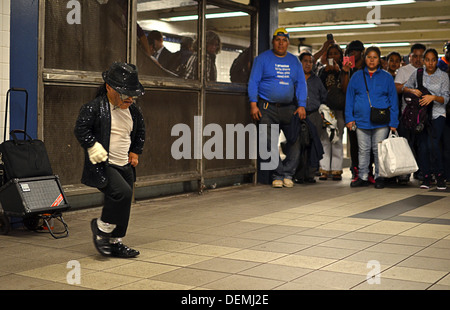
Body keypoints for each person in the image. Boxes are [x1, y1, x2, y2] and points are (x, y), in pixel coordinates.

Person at [74, 62, 146, 258]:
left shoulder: (133, 111)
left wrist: (135, 152)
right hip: (105, 164)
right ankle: (101, 229)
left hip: (125, 163)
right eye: (124, 94)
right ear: (109, 87)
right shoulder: (94, 108)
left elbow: (140, 132)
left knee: (124, 199)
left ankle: (116, 242)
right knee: (121, 193)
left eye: (132, 94)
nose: (129, 99)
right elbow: (81, 129)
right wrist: (92, 145)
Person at [248, 27, 307, 188]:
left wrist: (302, 105)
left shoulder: (294, 61)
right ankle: (278, 174)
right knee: (268, 142)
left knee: (294, 140)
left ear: (288, 43)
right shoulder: (262, 59)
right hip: (267, 107)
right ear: (273, 41)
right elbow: (253, 82)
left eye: (284, 40)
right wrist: (253, 104)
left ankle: (288, 173)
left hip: (290, 108)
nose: (281, 43)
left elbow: (301, 83)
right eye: (278, 40)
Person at [345, 46, 399, 189]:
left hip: (381, 121)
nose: (372, 60)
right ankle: (362, 176)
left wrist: (394, 122)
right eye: (369, 57)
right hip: (361, 120)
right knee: (363, 150)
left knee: (378, 150)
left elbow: (394, 100)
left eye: (375, 57)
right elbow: (349, 98)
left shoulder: (387, 77)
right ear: (365, 59)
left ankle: (379, 176)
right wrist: (349, 118)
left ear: (379, 59)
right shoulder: (356, 76)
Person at [403, 48, 450, 190]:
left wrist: (433, 97)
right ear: (424, 61)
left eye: (433, 60)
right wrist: (412, 90)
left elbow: (446, 98)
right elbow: (405, 88)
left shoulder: (443, 76)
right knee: (423, 147)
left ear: (437, 61)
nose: (430, 63)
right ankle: (426, 177)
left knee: (433, 145)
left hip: (437, 114)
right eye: (427, 60)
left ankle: (440, 175)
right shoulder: (417, 73)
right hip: (421, 116)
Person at [318, 44, 351, 181]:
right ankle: (324, 169)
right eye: (330, 54)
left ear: (341, 55)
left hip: (339, 107)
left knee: (337, 137)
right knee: (325, 138)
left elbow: (345, 89)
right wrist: (325, 70)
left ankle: (336, 169)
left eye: (336, 53)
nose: (333, 56)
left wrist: (342, 71)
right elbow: (319, 88)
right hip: (326, 108)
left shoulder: (346, 69)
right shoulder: (321, 71)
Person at [395, 43, 426, 183]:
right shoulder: (403, 70)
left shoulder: (428, 70)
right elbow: (396, 88)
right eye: (415, 56)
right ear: (410, 57)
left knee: (421, 144)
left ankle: (421, 172)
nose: (418, 59)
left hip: (423, 115)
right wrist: (409, 87)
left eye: (421, 57)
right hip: (406, 114)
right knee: (406, 144)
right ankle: (405, 172)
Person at [297, 51, 327, 183]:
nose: (308, 64)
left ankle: (310, 175)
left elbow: (324, 97)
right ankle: (298, 174)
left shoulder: (317, 80)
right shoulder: (294, 78)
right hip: (298, 115)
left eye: (311, 62)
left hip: (314, 115)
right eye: (305, 61)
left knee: (313, 145)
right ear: (300, 62)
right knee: (298, 145)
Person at [343, 40, 366, 182]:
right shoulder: (348, 69)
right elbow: (345, 90)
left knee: (367, 144)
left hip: (367, 111)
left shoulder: (367, 68)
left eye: (355, 51)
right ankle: (355, 169)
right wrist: (345, 72)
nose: (352, 53)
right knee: (354, 143)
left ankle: (368, 171)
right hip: (352, 111)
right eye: (350, 51)